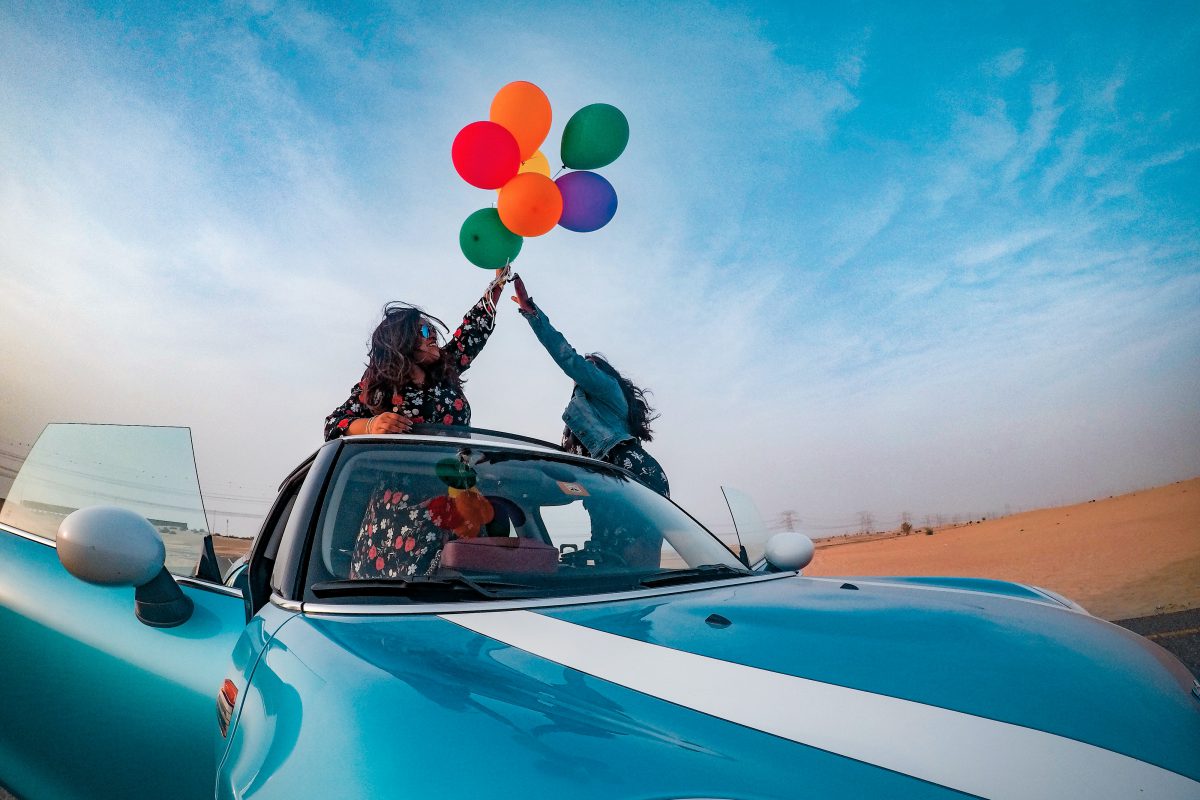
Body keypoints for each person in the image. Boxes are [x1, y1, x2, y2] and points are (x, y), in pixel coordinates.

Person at [510, 274, 669, 498]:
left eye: (590, 365)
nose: (584, 369)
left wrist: (531, 313)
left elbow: (567, 357)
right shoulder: (580, 411)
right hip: (603, 478)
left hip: (628, 469)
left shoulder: (607, 387)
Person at [324, 270, 508, 441]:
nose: (434, 335)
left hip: (454, 473)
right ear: (402, 340)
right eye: (426, 331)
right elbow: (333, 423)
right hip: (406, 473)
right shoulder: (379, 387)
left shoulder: (446, 367)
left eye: (433, 330)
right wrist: (371, 425)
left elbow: (474, 328)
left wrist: (499, 282)